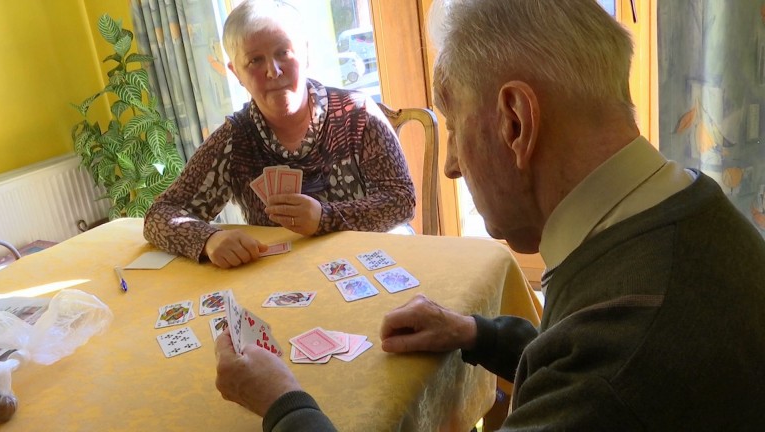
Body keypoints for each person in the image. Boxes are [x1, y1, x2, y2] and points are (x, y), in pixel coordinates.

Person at [214, 0, 765, 430]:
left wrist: (283, 403)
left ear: (515, 121)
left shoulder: (617, 366)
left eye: (453, 128)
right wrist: (477, 333)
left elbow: (609, 374)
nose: (450, 166)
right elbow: (585, 357)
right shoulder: (683, 208)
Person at [144, 0, 415, 269]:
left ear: (305, 53)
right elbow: (159, 215)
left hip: (370, 269)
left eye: (283, 52)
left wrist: (326, 217)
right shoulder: (234, 139)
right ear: (235, 72)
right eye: (254, 60)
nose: (273, 71)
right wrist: (210, 239)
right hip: (283, 279)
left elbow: (401, 201)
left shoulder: (357, 114)